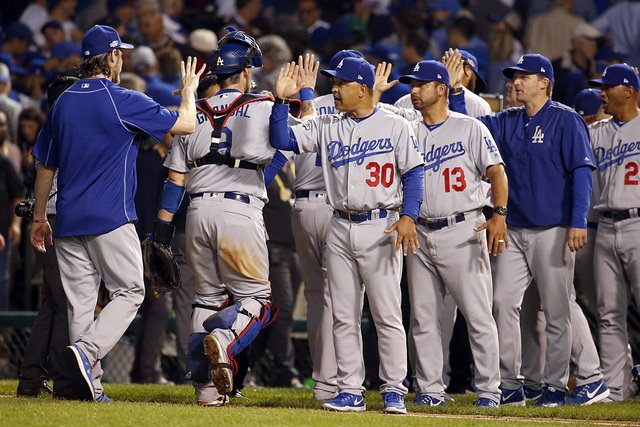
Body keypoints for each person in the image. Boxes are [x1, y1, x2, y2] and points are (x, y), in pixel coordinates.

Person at [30, 25, 204, 402]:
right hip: (109, 216)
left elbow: (45, 166)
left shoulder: (62, 102)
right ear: (111, 56)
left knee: (80, 305)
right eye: (120, 53)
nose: (122, 60)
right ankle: (87, 352)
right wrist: (189, 92)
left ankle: (87, 386)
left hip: (67, 221)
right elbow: (187, 125)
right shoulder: (120, 98)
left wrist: (39, 218)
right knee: (130, 291)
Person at [152, 27, 306, 407]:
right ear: (246, 72)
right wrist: (293, 98)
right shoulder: (264, 103)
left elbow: (175, 181)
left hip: (197, 212)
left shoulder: (192, 113)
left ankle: (205, 391)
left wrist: (161, 233)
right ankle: (223, 339)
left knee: (206, 298)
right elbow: (291, 140)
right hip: (239, 207)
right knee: (259, 299)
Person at [270, 56, 425, 414]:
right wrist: (280, 100)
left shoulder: (395, 125)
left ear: (362, 89)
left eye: (341, 83)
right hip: (338, 224)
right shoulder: (327, 124)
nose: (335, 89)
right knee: (342, 313)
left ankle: (393, 390)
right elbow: (281, 137)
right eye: (334, 83)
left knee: (386, 314)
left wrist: (409, 216)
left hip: (381, 225)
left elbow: (414, 173)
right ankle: (350, 390)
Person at [447, 52, 597, 407]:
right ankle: (511, 383)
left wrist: (578, 221)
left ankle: (555, 385)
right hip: (513, 229)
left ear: (544, 83)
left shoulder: (566, 119)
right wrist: (455, 92)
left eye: (523, 77)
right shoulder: (506, 120)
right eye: (513, 76)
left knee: (557, 311)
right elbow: (467, 128)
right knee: (502, 303)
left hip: (553, 229)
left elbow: (582, 173)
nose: (515, 82)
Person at [383, 59, 507, 408]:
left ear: (441, 89)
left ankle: (489, 391)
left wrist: (499, 214)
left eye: (421, 84)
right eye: (412, 84)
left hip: (462, 228)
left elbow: (497, 172)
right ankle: (431, 390)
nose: (414, 90)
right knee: (422, 318)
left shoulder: (470, 127)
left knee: (477, 315)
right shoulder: (406, 129)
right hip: (419, 231)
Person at [290, 49, 364, 402]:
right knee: (341, 299)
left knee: (316, 298)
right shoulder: (357, 111)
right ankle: (336, 380)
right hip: (336, 210)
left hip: (302, 208)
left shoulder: (309, 106)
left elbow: (282, 151)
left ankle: (323, 382)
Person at [16, 76, 79, 400]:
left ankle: (30, 378)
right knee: (65, 303)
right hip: (54, 222)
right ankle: (64, 381)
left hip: (49, 220)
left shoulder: (52, 129)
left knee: (52, 304)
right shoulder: (62, 130)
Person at [588, 63, 640, 402]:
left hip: (638, 223)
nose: (602, 93)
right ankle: (617, 389)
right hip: (605, 226)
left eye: (608, 87)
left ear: (629, 91)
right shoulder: (597, 132)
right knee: (608, 312)